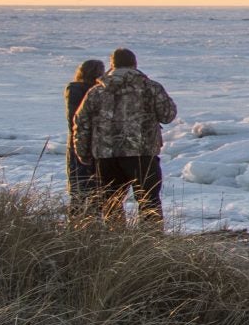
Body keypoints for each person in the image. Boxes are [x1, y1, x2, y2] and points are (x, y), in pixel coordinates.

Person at [70, 48, 177, 223]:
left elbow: (81, 123)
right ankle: (151, 238)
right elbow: (168, 115)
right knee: (149, 201)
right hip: (142, 153)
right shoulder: (151, 88)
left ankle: (116, 238)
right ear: (134, 64)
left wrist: (83, 153)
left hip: (106, 155)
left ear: (112, 65)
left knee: (111, 203)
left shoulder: (96, 91)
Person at [63, 59, 106, 211]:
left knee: (80, 190)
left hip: (79, 142)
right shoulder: (98, 90)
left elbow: (73, 120)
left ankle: (78, 219)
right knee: (94, 189)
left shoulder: (75, 89)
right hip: (96, 143)